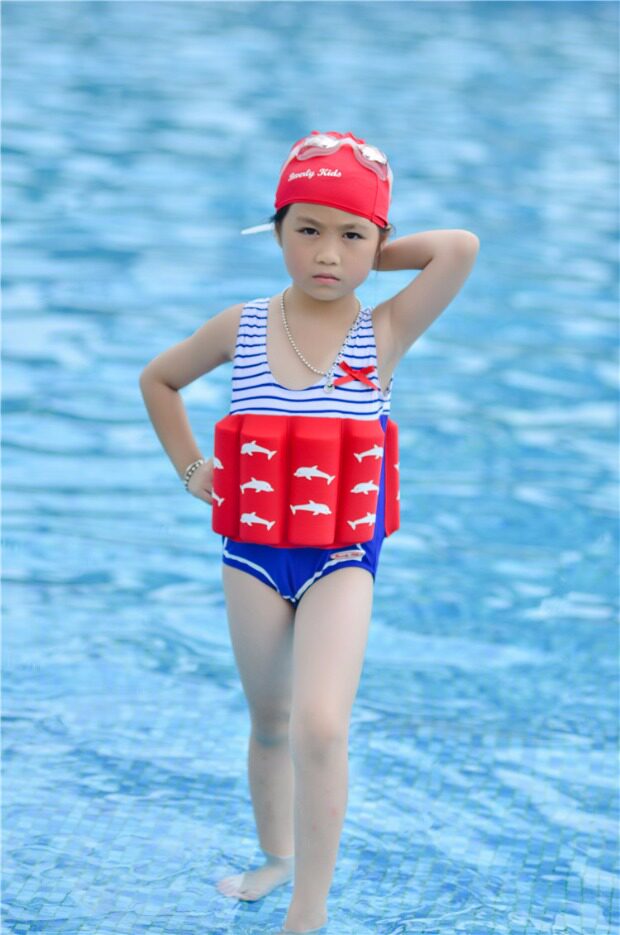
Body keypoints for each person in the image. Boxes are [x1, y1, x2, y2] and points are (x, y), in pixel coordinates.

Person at [139, 130, 479, 935]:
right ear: (278, 230)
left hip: (340, 556)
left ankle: (309, 908)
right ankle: (276, 856)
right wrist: (192, 469)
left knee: (321, 723)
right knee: (271, 721)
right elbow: (159, 379)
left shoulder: (384, 332)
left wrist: (369, 248)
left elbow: (459, 248)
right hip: (253, 556)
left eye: (350, 235)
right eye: (307, 230)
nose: (326, 253)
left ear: (379, 242)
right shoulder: (244, 326)